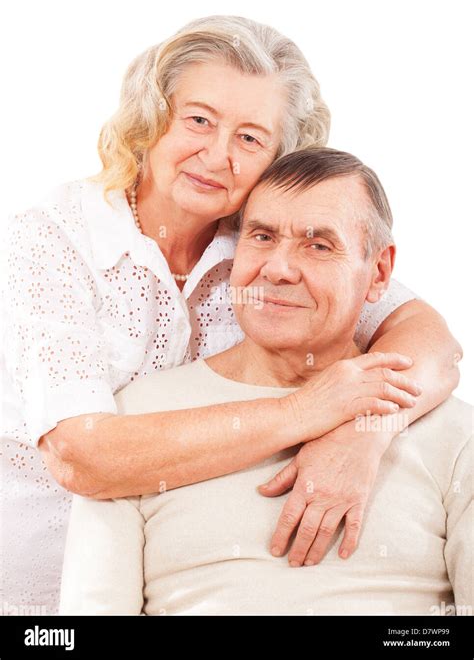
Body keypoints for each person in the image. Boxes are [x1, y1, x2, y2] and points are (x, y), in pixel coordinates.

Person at [1, 16, 461, 616]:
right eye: (198, 120)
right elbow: (82, 457)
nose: (217, 156)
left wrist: (363, 432)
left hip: (184, 571)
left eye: (250, 138)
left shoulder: (266, 244)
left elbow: (431, 344)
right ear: (149, 119)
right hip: (36, 593)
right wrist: (307, 411)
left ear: (279, 156)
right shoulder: (53, 240)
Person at [59, 147, 472, 616]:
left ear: (378, 273)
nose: (277, 269)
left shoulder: (455, 434)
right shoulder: (135, 421)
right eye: (261, 236)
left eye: (318, 246)